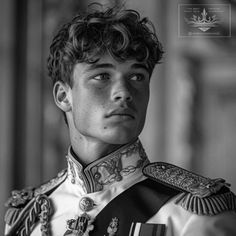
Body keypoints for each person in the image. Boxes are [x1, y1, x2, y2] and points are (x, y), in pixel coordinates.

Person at [4, 4, 236, 236]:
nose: (123, 92)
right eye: (102, 76)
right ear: (64, 96)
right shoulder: (29, 216)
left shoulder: (193, 214)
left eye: (136, 77)